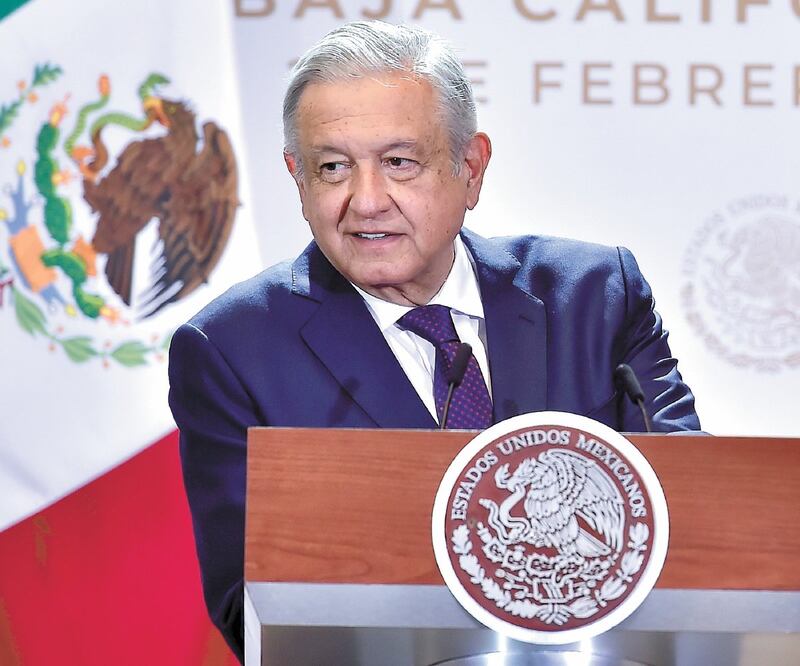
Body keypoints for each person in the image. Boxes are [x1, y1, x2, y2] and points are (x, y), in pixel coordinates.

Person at [168, 20, 700, 660]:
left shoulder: (593, 297)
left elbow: (691, 532)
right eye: (333, 168)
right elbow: (248, 611)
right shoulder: (233, 351)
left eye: (399, 163)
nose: (366, 201)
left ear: (470, 168)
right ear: (297, 179)